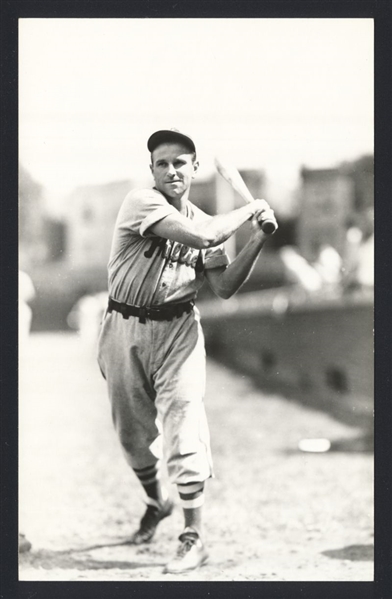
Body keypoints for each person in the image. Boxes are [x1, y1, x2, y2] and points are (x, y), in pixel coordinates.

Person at [97, 128, 277, 573]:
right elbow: (200, 238)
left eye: (180, 162)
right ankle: (157, 502)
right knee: (133, 436)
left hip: (179, 329)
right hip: (124, 326)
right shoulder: (142, 203)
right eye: (163, 163)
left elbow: (225, 287)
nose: (171, 170)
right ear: (152, 170)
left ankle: (193, 537)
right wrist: (252, 207)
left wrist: (256, 238)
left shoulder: (208, 219)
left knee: (185, 422)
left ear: (194, 168)